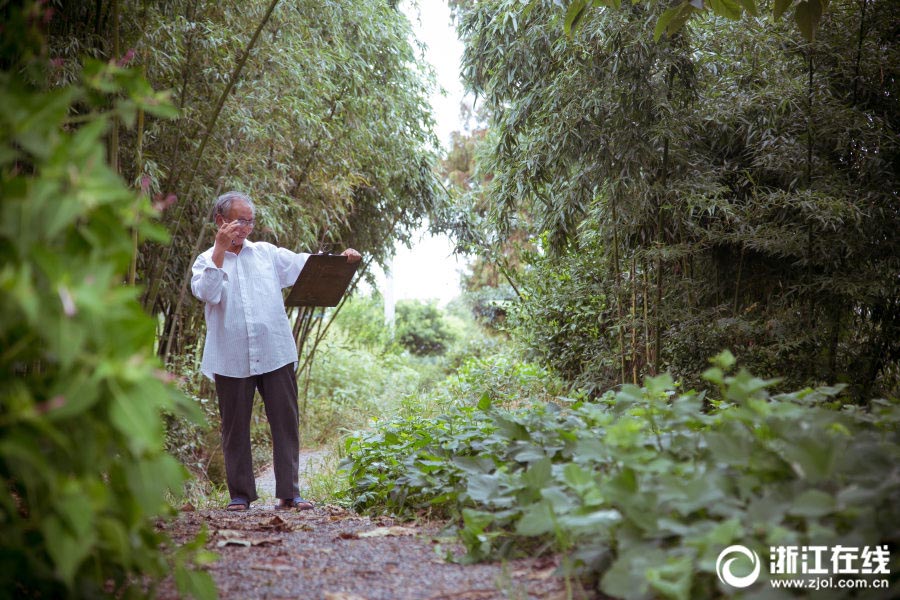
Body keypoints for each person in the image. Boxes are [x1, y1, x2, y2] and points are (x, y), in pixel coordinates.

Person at [191, 191, 361, 511]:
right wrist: (219, 250)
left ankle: (289, 493)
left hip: (275, 352)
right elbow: (207, 293)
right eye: (238, 220)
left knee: (285, 423)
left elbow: (305, 265)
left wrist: (342, 258)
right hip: (230, 357)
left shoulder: (266, 253)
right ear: (220, 221)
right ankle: (240, 496)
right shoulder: (205, 260)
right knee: (234, 428)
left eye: (250, 221)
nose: (244, 227)